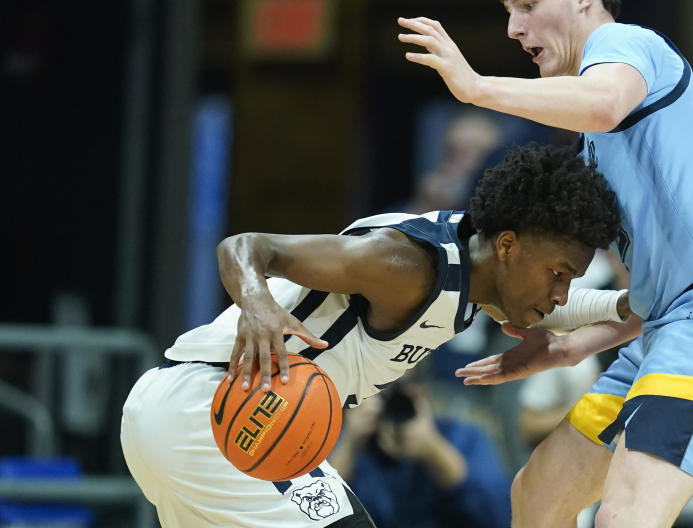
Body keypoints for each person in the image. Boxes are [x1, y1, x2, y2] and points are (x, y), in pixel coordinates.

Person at [399, 0, 693, 528]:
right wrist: (572, 346)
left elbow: (606, 101)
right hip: (665, 334)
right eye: (510, 12)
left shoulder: (629, 47)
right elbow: (651, 297)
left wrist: (475, 88)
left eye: (529, 5)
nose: (514, 28)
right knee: (539, 495)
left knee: (627, 518)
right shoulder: (593, 139)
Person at [119, 142, 624, 527]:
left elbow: (564, 311)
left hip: (193, 418)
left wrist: (631, 308)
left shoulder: (478, 269)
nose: (561, 293)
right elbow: (246, 248)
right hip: (214, 412)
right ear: (509, 246)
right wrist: (257, 306)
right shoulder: (406, 266)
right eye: (558, 274)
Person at [329, 377, 511, 528]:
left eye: (400, 390)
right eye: (381, 390)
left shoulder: (463, 436)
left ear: (422, 393)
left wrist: (435, 452)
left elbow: (502, 518)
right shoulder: (352, 444)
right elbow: (315, 513)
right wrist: (350, 443)